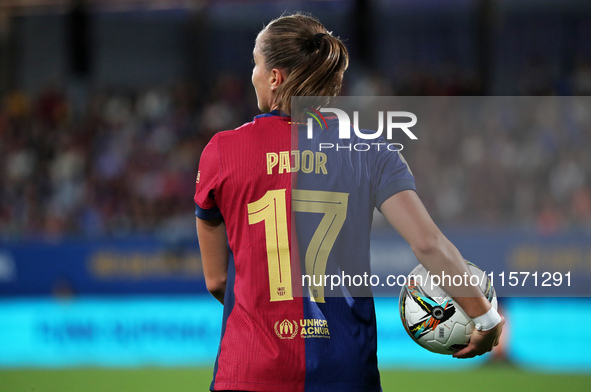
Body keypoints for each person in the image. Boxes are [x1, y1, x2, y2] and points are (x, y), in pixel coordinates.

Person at [194, 12, 504, 392]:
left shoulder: (222, 151)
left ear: (274, 77)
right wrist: (485, 319)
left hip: (249, 369)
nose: (253, 75)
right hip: (344, 369)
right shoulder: (372, 149)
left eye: (256, 65)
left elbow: (218, 280)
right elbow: (428, 244)